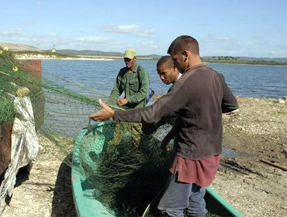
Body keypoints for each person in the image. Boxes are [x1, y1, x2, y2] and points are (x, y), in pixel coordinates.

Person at [90, 35, 239, 216]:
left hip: (189, 156)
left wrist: (114, 114)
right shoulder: (216, 76)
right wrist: (204, 111)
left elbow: (152, 112)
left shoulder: (187, 81)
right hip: (212, 153)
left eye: (175, 59)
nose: (176, 64)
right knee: (195, 202)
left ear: (185, 55)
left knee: (171, 208)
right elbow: (231, 105)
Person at [107, 48, 149, 148]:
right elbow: (116, 90)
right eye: (125, 59)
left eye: (129, 59)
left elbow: (143, 92)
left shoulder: (142, 72)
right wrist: (109, 105)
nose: (127, 61)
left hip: (138, 111)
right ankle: (111, 154)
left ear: (135, 59)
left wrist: (127, 100)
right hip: (124, 110)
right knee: (117, 135)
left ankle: (135, 157)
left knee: (136, 138)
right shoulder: (122, 72)